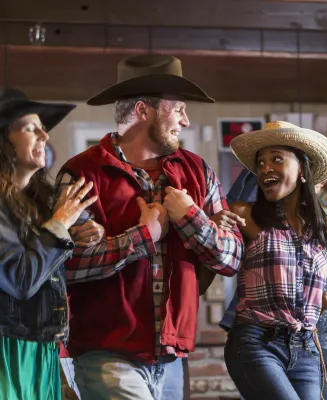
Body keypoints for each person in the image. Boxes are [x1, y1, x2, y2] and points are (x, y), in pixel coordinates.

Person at [55, 54, 245, 399]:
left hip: (172, 358)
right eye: (178, 109)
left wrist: (190, 218)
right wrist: (143, 237)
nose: (185, 121)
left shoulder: (198, 171)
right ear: (143, 111)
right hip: (106, 355)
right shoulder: (82, 174)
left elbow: (231, 258)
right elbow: (65, 267)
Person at [222, 121, 327, 400]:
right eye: (260, 163)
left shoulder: (324, 227)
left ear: (302, 171)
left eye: (277, 159)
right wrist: (216, 222)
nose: (265, 168)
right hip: (256, 342)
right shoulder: (244, 214)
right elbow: (208, 245)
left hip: (306, 348)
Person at [0, 87, 100, 399]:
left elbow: (77, 228)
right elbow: (20, 279)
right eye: (29, 128)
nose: (44, 135)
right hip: (8, 348)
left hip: (43, 343)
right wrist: (59, 225)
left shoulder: (41, 197)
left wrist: (89, 230)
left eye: (43, 127)